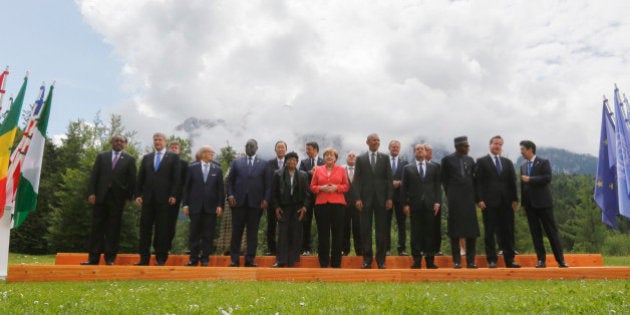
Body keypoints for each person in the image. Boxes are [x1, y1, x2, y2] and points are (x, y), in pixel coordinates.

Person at [82, 135, 136, 266]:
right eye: (116, 141)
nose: (118, 143)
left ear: (125, 144)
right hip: (100, 197)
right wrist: (91, 193)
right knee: (97, 228)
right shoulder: (102, 156)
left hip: (117, 199)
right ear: (112, 142)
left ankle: (110, 258)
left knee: (113, 229)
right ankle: (93, 258)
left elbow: (132, 180)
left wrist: (128, 197)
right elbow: (94, 175)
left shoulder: (129, 159)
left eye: (121, 141)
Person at [519, 140, 568, 268]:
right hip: (530, 206)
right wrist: (523, 204)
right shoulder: (523, 166)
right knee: (536, 234)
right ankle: (541, 260)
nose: (521, 152)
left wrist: (530, 179)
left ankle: (560, 260)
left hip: (544, 204)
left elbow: (547, 178)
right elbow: (522, 186)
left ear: (530, 150)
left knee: (551, 232)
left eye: (523, 149)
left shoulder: (543, 162)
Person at [135, 132, 182, 266]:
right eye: (155, 140)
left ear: (165, 141)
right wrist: (138, 194)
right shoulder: (147, 158)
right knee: (145, 229)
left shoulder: (173, 157)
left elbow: (176, 179)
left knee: (162, 230)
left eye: (160, 140)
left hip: (165, 200)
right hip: (148, 200)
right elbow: (140, 177)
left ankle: (160, 258)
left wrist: (174, 194)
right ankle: (143, 258)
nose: (157, 142)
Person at [474, 136, 521, 268]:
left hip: (506, 203)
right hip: (488, 202)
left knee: (508, 231)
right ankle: (492, 260)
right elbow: (478, 183)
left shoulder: (507, 162)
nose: (497, 146)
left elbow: (512, 181)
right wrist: (479, 199)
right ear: (490, 145)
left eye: (500, 144)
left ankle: (510, 260)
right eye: (495, 144)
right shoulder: (481, 161)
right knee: (490, 231)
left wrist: (515, 199)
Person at [226, 139, 270, 267]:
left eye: (252, 146)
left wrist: (266, 199)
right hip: (238, 203)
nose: (249, 148)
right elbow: (229, 181)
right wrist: (230, 195)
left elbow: (268, 184)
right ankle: (234, 260)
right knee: (236, 232)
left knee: (252, 233)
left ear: (256, 148)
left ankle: (250, 260)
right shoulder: (236, 162)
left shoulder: (263, 164)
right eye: (247, 146)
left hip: (256, 204)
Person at [354, 133, 394, 269]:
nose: (376, 142)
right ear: (367, 142)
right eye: (374, 140)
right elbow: (357, 181)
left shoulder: (385, 158)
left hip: (382, 200)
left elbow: (389, 179)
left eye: (378, 140)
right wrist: (357, 198)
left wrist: (389, 198)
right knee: (365, 230)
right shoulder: (360, 159)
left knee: (381, 231)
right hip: (365, 200)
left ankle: (381, 261)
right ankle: (367, 260)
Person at [181, 146, 224, 267]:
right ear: (203, 154)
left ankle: (205, 259)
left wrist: (220, 205)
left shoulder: (217, 169)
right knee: (194, 233)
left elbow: (220, 189)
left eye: (212, 153)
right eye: (210, 153)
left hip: (211, 207)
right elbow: (186, 188)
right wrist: (185, 204)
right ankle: (193, 259)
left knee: (208, 234)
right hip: (195, 206)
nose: (212, 155)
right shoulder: (192, 168)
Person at [441, 136, 479, 269]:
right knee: (455, 232)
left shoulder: (470, 160)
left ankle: (470, 261)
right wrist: (451, 194)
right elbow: (444, 181)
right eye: (465, 146)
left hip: (469, 199)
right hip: (455, 200)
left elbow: (474, 179)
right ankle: (457, 261)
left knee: (471, 232)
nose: (468, 148)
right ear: (458, 147)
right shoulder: (447, 160)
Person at [401, 144, 441, 269]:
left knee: (430, 233)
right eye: (417, 149)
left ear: (425, 152)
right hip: (414, 205)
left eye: (422, 149)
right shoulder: (408, 168)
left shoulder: (434, 167)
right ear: (414, 152)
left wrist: (437, 202)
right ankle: (416, 260)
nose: (419, 151)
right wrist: (405, 204)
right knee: (416, 234)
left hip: (430, 205)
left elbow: (437, 187)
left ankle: (430, 261)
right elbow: (404, 188)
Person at [310, 148, 350, 268]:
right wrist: (320, 188)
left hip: (338, 205)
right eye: (326, 155)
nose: (329, 157)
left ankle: (336, 263)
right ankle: (323, 263)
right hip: (321, 205)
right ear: (324, 157)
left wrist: (336, 188)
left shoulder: (342, 169)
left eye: (331, 155)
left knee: (337, 234)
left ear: (335, 158)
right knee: (323, 234)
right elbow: (312, 187)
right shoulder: (318, 170)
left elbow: (346, 186)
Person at [272, 151, 311, 267]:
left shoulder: (303, 175)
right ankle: (280, 260)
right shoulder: (278, 174)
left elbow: (307, 194)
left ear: (297, 162)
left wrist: (304, 208)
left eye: (294, 160)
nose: (292, 162)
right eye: (289, 159)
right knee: (283, 234)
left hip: (297, 209)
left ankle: (292, 260)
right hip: (283, 208)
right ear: (286, 161)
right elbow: (273, 193)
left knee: (295, 234)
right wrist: (276, 207)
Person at [298, 141, 324, 255]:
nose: (307, 151)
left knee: (321, 224)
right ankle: (306, 249)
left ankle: (321, 249)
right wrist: (310, 172)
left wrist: (318, 172)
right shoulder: (304, 162)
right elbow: (300, 176)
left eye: (309, 149)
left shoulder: (323, 162)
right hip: (307, 197)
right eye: (306, 149)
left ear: (315, 149)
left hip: (320, 196)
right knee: (306, 223)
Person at [265, 140, 287, 256]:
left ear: (286, 150)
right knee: (271, 225)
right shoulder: (269, 163)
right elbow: (267, 181)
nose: (280, 149)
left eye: (282, 148)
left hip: (285, 201)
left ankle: (282, 249)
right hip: (272, 200)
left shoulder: (290, 163)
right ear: (275, 150)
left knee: (284, 226)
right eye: (278, 147)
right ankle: (271, 249)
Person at [387, 140, 409, 256]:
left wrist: (399, 183)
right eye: (393, 147)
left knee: (402, 224)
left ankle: (402, 249)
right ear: (389, 148)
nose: (395, 149)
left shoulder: (405, 163)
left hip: (401, 197)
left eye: (397, 147)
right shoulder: (384, 162)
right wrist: (390, 183)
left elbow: (408, 180)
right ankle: (387, 249)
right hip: (387, 198)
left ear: (399, 149)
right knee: (386, 224)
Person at [167, 141, 189, 254]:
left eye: (176, 148)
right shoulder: (163, 161)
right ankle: (157, 247)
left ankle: (168, 247)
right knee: (159, 223)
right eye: (172, 147)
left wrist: (183, 199)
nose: (174, 149)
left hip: (176, 198)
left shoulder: (184, 163)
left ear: (179, 150)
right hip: (161, 197)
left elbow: (185, 183)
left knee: (171, 222)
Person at [342, 151, 362, 256]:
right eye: (349, 155)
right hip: (343, 204)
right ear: (346, 158)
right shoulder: (341, 170)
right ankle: (344, 250)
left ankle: (360, 251)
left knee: (358, 228)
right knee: (344, 228)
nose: (351, 157)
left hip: (358, 204)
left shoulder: (361, 171)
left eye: (354, 156)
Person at [425, 144, 443, 256]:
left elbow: (438, 185)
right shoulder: (414, 166)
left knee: (436, 226)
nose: (430, 153)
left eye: (431, 151)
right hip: (421, 201)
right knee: (423, 226)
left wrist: (438, 201)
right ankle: (423, 249)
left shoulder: (437, 166)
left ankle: (437, 249)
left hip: (434, 200)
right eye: (428, 150)